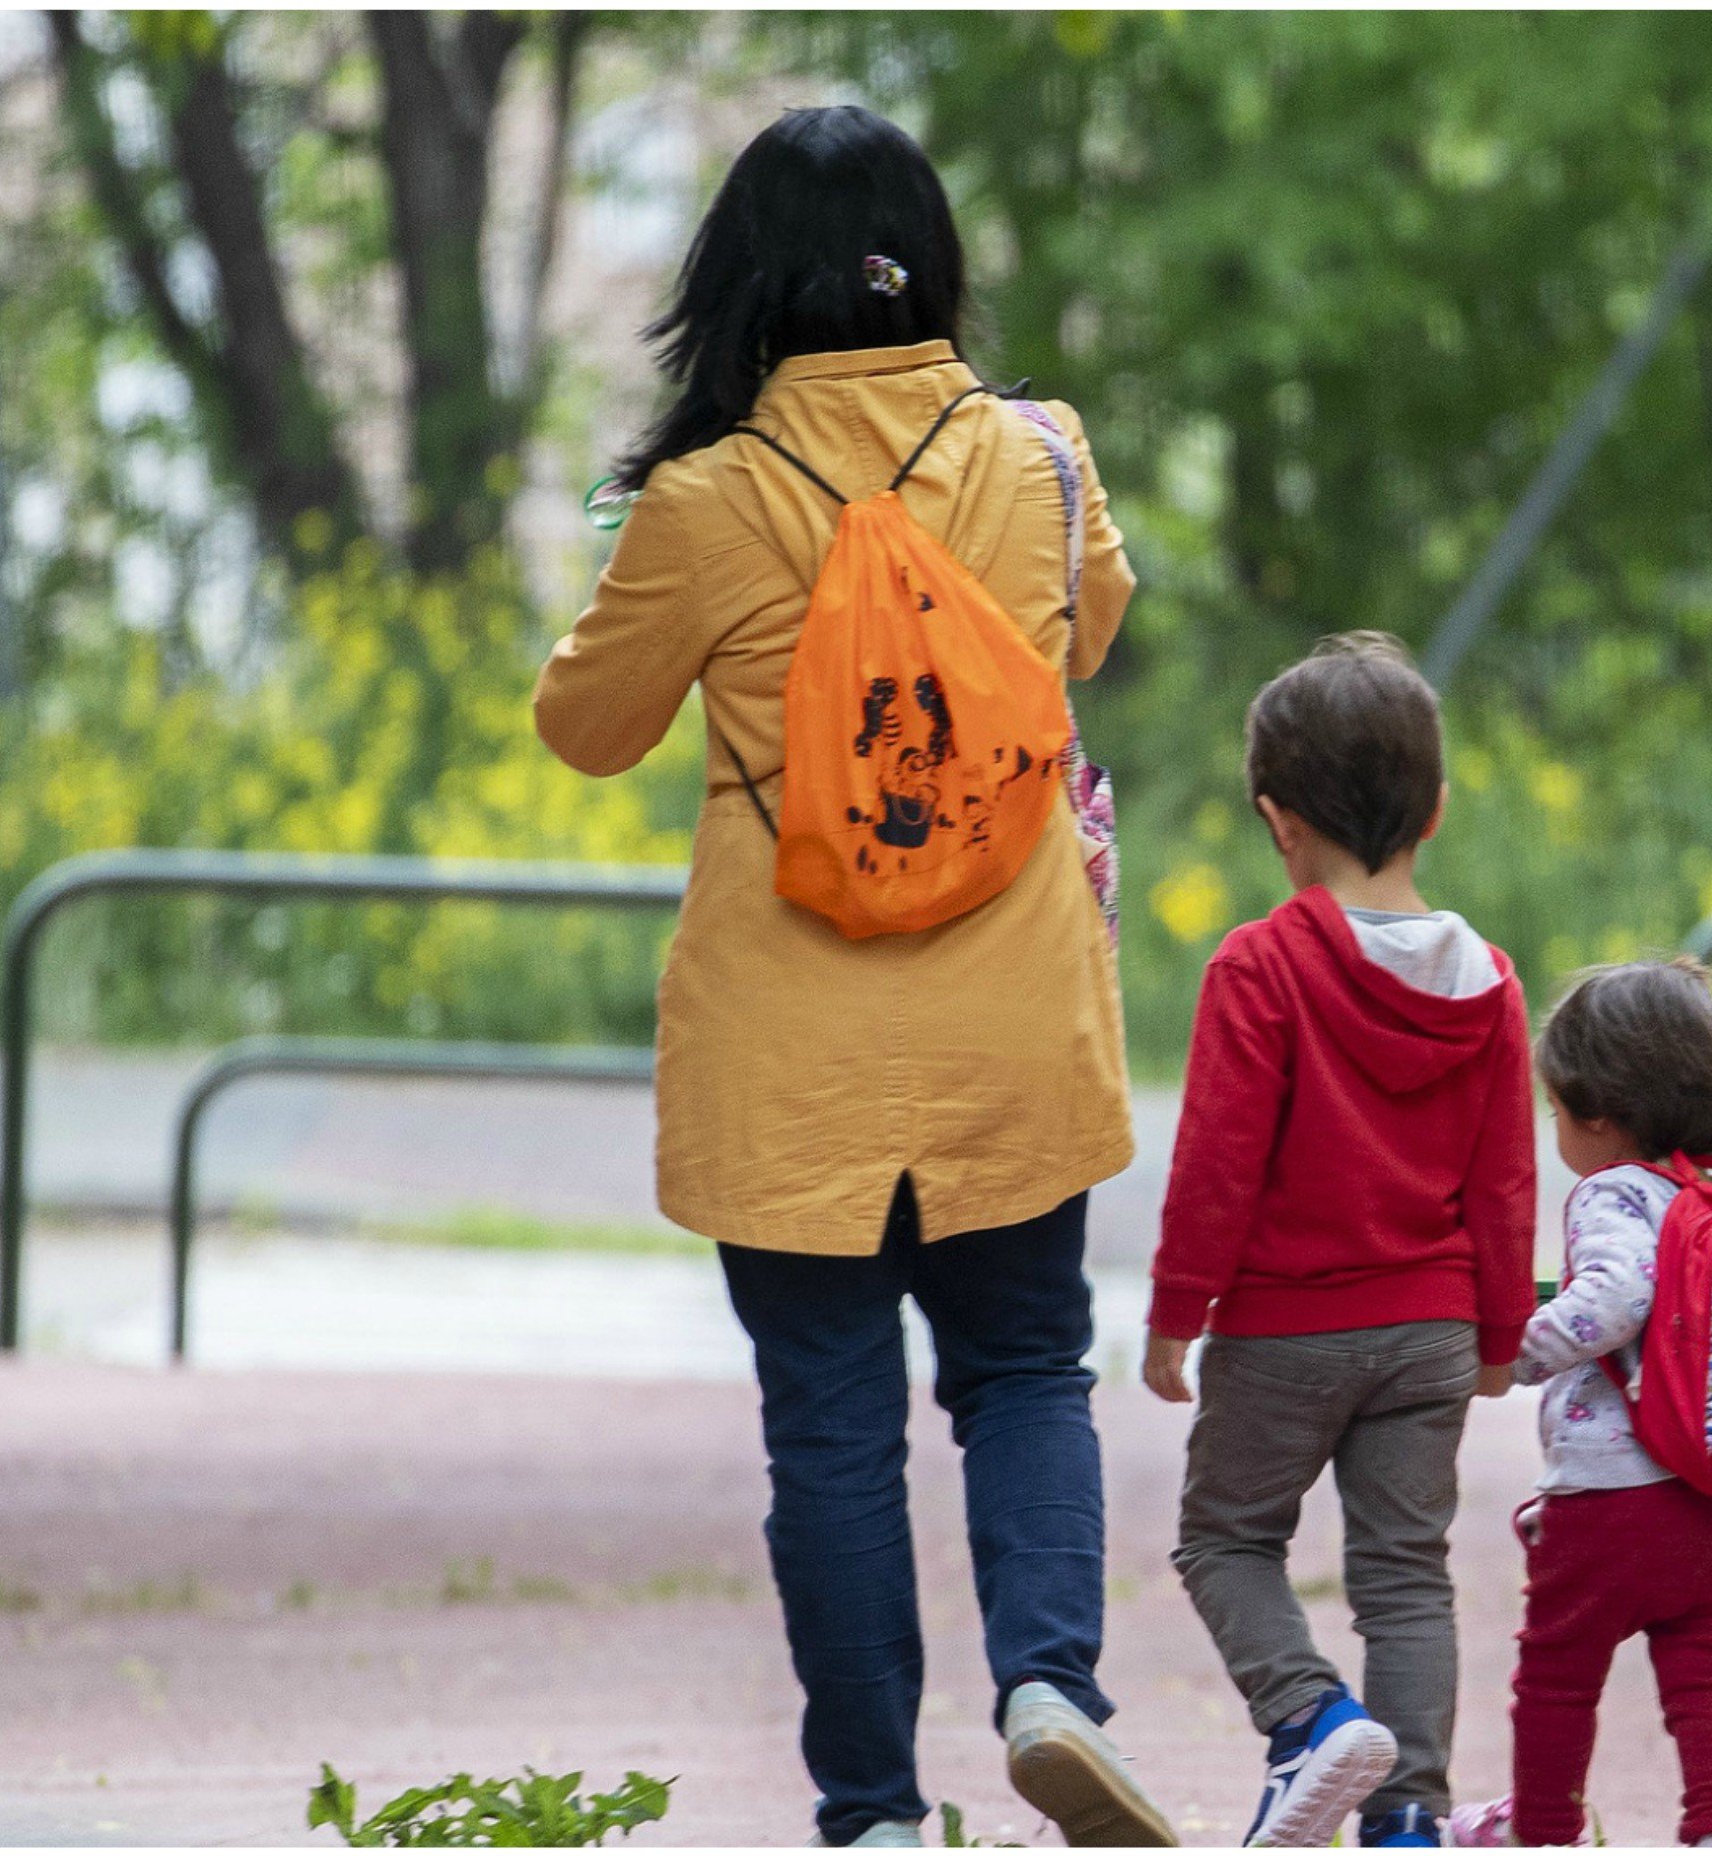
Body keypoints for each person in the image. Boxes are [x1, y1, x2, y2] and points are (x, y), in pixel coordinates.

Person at [533, 105, 1168, 1850]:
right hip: (1006, 1021)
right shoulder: (1040, 458)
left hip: (788, 1039)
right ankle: (1049, 1682)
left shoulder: (703, 498)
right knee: (1027, 1370)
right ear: (930, 265)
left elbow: (583, 729)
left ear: (735, 285)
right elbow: (1089, 627)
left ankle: (875, 1813)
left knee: (827, 1430)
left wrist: (656, 555)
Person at [1144, 633, 1538, 1850]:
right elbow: (1505, 1179)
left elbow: (1217, 1164)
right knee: (1406, 1575)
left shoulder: (1260, 968)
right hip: (1427, 1335)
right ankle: (1409, 1814)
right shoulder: (1490, 981)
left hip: (1284, 1330)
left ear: (1278, 822)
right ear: (1437, 808)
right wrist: (1498, 1334)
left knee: (1223, 1537)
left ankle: (1310, 1721)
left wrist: (1175, 1317)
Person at [1448, 959, 1712, 1850]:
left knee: (1556, 1677)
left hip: (1613, 1498)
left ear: (1596, 1110)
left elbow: (1617, 1294)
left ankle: (1543, 1831)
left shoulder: (1614, 1192)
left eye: (1556, 1110)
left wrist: (1505, 1354)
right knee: (1709, 1682)